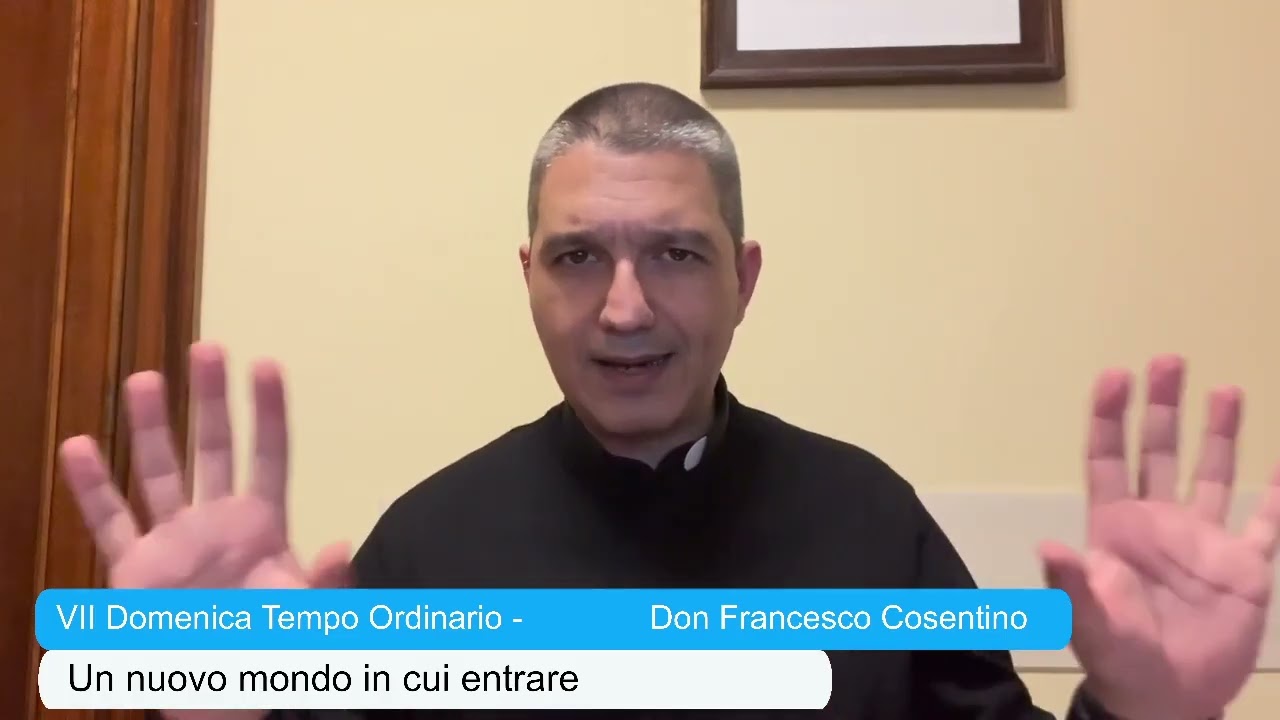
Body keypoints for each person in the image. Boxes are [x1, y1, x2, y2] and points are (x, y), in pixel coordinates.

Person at [58, 82, 1277, 720]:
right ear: (527, 279)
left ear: (744, 278)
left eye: (676, 255)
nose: (624, 307)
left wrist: (1150, 716)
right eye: (578, 257)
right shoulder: (423, 547)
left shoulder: (870, 522)